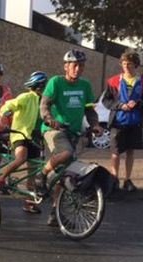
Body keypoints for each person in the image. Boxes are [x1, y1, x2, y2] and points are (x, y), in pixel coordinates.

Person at [37, 49, 103, 226]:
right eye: (74, 65)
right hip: (54, 130)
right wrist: (50, 120)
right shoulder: (56, 82)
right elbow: (44, 106)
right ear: (66, 66)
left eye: (81, 65)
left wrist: (95, 125)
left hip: (73, 132)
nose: (78, 68)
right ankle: (41, 176)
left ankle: (54, 212)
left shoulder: (86, 86)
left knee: (64, 173)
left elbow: (90, 110)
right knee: (65, 153)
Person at [0, 71, 48, 213]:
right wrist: (4, 114)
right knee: (21, 158)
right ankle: (1, 178)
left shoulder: (45, 101)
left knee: (33, 171)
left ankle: (29, 203)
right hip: (20, 135)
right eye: (40, 85)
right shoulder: (26, 97)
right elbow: (9, 105)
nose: (42, 88)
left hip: (35, 137)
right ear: (35, 86)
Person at [101, 51, 143, 192]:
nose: (126, 67)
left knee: (130, 151)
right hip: (118, 123)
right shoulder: (113, 81)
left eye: (129, 64)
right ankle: (114, 179)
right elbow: (106, 100)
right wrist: (120, 106)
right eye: (124, 64)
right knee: (115, 152)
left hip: (135, 122)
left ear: (136, 65)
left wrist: (138, 103)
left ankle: (128, 180)